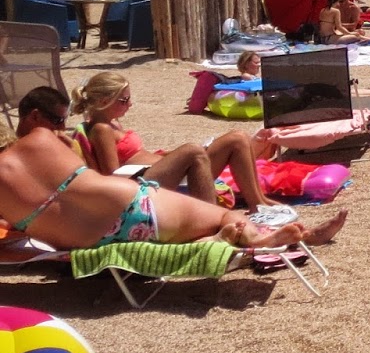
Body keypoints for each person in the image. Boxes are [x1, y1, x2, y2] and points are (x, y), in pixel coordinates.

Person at [1, 105, 341, 251]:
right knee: (225, 215)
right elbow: (86, 176)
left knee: (211, 221)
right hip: (131, 205)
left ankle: (251, 238)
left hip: (88, 242)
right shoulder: (41, 140)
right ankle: (276, 239)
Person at [73, 73, 283, 211]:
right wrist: (168, 161)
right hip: (146, 183)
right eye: (124, 100)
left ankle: (259, 202)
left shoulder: (112, 124)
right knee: (234, 139)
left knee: (241, 138)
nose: (130, 104)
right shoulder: (101, 129)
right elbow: (113, 175)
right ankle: (255, 205)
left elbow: (134, 154)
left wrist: (167, 156)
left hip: (159, 170)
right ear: (103, 102)